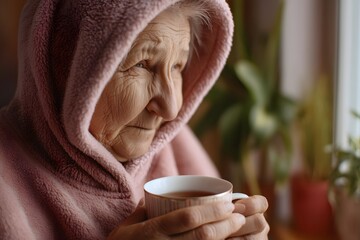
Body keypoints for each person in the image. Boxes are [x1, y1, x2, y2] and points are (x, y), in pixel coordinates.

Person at [0, 0, 269, 239]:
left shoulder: (175, 143)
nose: (171, 109)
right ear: (67, 68)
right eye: (142, 64)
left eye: (177, 66)